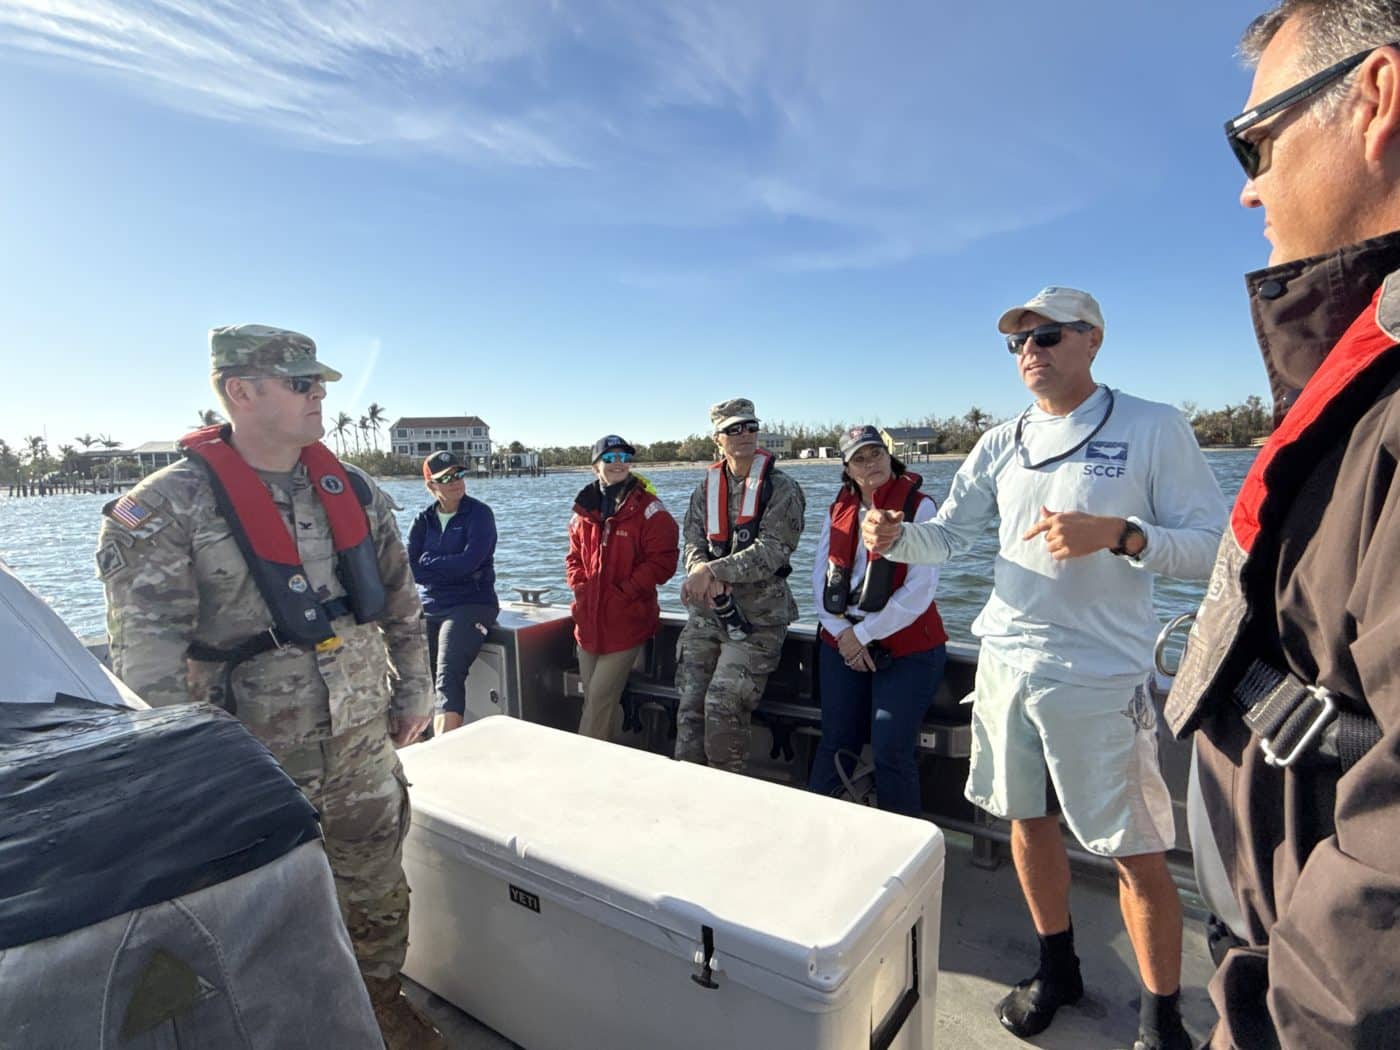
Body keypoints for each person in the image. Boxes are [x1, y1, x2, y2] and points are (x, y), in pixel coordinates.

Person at [863, 289, 1227, 1050]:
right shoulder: (1000, 441)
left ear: (1092, 340)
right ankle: (1057, 967)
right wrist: (895, 538)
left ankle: (1163, 1019)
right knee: (1026, 820)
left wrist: (1122, 535)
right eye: (1017, 343)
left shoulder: (1155, 425)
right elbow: (953, 539)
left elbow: (1210, 547)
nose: (1030, 351)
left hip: (1099, 673)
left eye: (1048, 336)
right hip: (1006, 662)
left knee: (1134, 848)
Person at [95, 324, 445, 1050]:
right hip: (247, 763)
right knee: (251, 921)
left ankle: (382, 1009)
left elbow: (404, 605)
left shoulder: (353, 489)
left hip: (359, 747)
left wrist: (416, 691)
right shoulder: (165, 509)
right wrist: (178, 780)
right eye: (302, 383)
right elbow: (148, 666)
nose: (321, 395)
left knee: (377, 892)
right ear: (241, 392)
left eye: (320, 382)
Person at [1164, 5, 1400, 1045]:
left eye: (1253, 138)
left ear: (1375, 100)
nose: (1246, 184)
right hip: (1268, 935)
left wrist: (1268, 1028)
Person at [808, 425, 947, 816]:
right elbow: (819, 582)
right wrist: (844, 635)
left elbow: (920, 590)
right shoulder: (838, 510)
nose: (870, 464)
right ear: (847, 469)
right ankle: (817, 827)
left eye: (875, 454)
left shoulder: (920, 508)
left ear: (889, 456)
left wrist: (864, 635)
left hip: (907, 649)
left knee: (890, 750)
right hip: (843, 641)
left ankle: (903, 845)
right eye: (859, 459)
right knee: (836, 741)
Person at [675, 398, 806, 772]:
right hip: (706, 617)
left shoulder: (782, 489)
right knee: (689, 708)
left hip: (758, 622)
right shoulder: (705, 488)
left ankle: (727, 798)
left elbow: (774, 551)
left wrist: (714, 572)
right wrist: (699, 568)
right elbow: (692, 541)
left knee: (722, 704)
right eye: (734, 429)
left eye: (750, 426)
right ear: (718, 439)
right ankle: (686, 795)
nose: (744, 434)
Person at [565, 434, 679, 740]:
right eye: (611, 458)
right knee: (597, 701)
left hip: (627, 622)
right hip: (588, 624)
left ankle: (580, 771)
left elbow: (663, 562)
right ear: (595, 466)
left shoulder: (650, 509)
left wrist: (624, 593)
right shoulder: (583, 511)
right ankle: (608, 769)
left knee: (599, 700)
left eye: (625, 458)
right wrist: (580, 588)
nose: (619, 464)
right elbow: (573, 557)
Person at [407, 450, 499, 736]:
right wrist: (444, 566)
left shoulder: (479, 514)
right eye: (445, 478)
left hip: (472, 603)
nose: (455, 481)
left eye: (458, 474)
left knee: (447, 675)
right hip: (431, 604)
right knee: (417, 677)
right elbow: (412, 570)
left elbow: (470, 562)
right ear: (431, 485)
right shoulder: (423, 521)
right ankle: (420, 748)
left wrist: (430, 561)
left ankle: (444, 750)